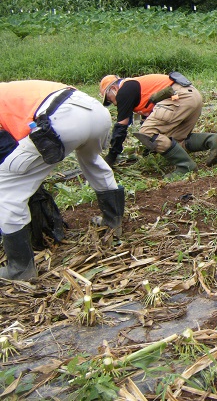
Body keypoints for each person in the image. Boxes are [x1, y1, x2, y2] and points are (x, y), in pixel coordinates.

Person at [0, 80, 124, 281]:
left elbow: (12, 142)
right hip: (96, 113)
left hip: (59, 121)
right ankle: (113, 223)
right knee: (92, 161)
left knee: (6, 189)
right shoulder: (17, 88)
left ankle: (20, 269)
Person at [99, 72, 217, 178]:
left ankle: (186, 166)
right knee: (173, 140)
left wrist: (112, 155)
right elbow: (151, 119)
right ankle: (213, 140)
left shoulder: (124, 91)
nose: (112, 103)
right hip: (192, 96)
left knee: (146, 133)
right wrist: (148, 149)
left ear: (114, 89)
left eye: (109, 99)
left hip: (178, 97)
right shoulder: (136, 87)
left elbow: (121, 127)